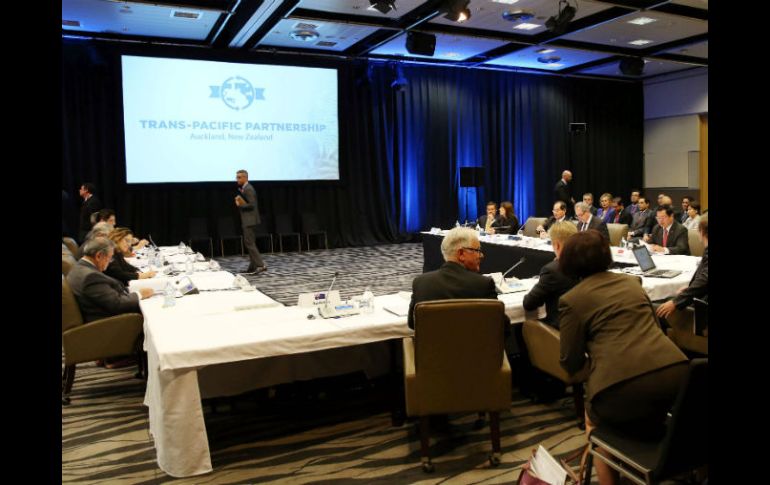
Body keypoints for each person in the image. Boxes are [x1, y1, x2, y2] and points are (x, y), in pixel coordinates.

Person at [557, 230, 688, 485]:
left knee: (594, 422)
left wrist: (597, 367)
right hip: (677, 372)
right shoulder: (632, 283)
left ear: (569, 262)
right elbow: (656, 328)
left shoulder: (571, 300)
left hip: (620, 387)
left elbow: (570, 361)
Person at [408, 226, 509, 334]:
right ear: (461, 254)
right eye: (478, 250)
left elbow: (412, 323)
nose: (482, 255)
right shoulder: (483, 284)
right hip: (474, 345)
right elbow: (501, 326)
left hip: (434, 345)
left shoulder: (421, 283)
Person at [67, 236, 154, 323]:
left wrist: (130, 290)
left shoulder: (78, 267)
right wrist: (140, 294)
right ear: (98, 256)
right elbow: (117, 304)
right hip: (108, 323)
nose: (110, 262)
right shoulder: (90, 277)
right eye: (110, 257)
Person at [522, 221, 578, 329]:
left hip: (560, 331)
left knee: (522, 327)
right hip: (586, 330)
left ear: (557, 245)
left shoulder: (552, 270)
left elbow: (529, 304)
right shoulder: (588, 263)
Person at [655, 215, 708, 319]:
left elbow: (705, 280)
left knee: (655, 308)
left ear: (701, 232)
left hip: (702, 309)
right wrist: (691, 288)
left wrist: (676, 302)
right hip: (700, 296)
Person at [235, 169, 267, 274]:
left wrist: (240, 205)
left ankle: (260, 265)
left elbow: (252, 205)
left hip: (249, 220)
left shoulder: (248, 189)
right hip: (249, 220)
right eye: (237, 177)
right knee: (250, 243)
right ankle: (253, 267)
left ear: (245, 178)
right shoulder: (246, 188)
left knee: (249, 243)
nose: (237, 179)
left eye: (239, 177)